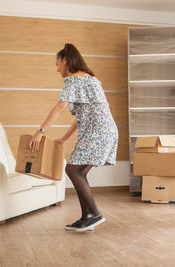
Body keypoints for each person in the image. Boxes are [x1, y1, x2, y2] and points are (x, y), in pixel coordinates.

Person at [29, 43, 118, 231]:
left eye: (57, 64)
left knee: (72, 170)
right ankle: (86, 217)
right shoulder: (91, 80)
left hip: (97, 132)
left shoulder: (73, 81)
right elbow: (81, 117)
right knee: (79, 172)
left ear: (65, 60)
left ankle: (94, 214)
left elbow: (60, 107)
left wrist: (40, 131)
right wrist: (63, 138)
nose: (56, 69)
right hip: (105, 131)